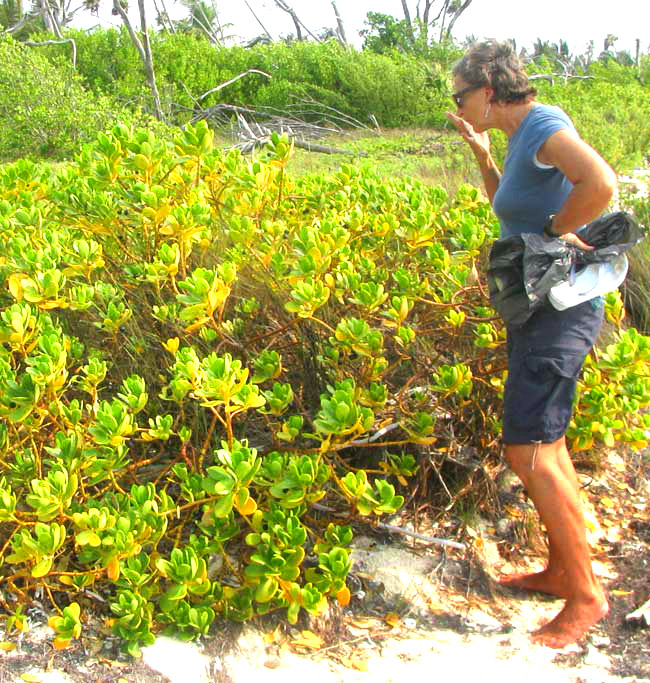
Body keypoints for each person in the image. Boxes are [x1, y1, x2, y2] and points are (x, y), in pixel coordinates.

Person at [446, 40, 617, 648]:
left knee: (530, 451)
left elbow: (600, 183)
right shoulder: (519, 137)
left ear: (487, 91)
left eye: (461, 95)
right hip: (538, 307)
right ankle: (563, 571)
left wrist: (555, 232)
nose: (457, 104)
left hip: (561, 309)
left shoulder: (544, 124)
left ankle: (587, 599)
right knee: (550, 445)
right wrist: (483, 155)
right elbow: (508, 206)